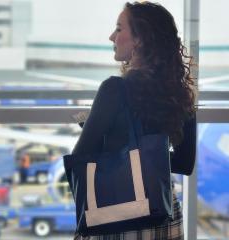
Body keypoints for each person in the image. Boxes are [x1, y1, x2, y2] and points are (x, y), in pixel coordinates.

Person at [72, 2, 196, 240]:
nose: (112, 37)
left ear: (140, 39)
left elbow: (81, 159)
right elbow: (184, 163)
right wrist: (146, 153)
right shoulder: (180, 93)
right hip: (163, 214)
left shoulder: (114, 89)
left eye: (119, 29)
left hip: (117, 215)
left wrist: (95, 129)